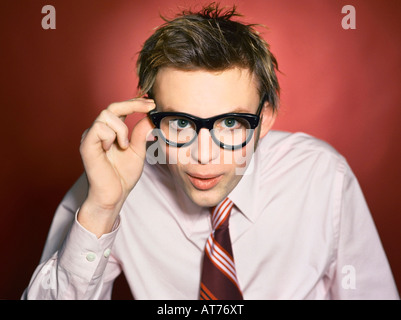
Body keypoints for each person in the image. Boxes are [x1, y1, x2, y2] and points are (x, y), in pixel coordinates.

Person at [22, 3, 399, 300]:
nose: (204, 155)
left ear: (264, 119)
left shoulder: (321, 176)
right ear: (150, 118)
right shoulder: (111, 184)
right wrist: (102, 210)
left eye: (231, 124)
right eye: (181, 123)